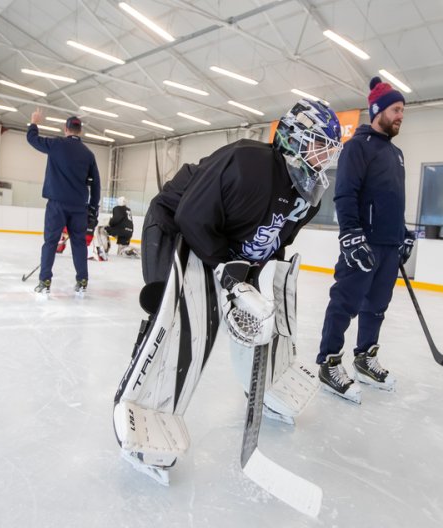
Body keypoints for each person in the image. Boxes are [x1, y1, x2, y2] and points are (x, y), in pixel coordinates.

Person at [113, 99, 342, 483]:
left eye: (329, 150)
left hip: (224, 248)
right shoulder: (247, 163)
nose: (324, 157)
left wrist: (254, 282)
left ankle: (268, 386)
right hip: (178, 229)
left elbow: (273, 244)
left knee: (256, 316)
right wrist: (228, 272)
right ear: (295, 137)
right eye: (319, 144)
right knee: (179, 319)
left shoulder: (307, 196)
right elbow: (190, 216)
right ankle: (144, 406)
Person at [316, 76, 416, 404]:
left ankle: (364, 358)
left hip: (388, 245)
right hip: (363, 243)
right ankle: (329, 362)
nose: (401, 115)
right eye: (397, 109)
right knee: (345, 302)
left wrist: (403, 233)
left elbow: (392, 198)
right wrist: (351, 235)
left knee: (377, 307)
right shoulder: (357, 147)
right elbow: (345, 194)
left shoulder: (396, 153)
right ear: (378, 111)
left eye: (402, 109)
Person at [27, 109, 101, 295]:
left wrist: (34, 123)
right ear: (80, 131)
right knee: (78, 244)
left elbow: (32, 139)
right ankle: (82, 280)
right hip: (79, 208)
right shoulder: (88, 154)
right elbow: (96, 185)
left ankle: (45, 281)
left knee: (51, 242)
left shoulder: (56, 144)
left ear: (65, 129)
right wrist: (93, 209)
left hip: (57, 205)